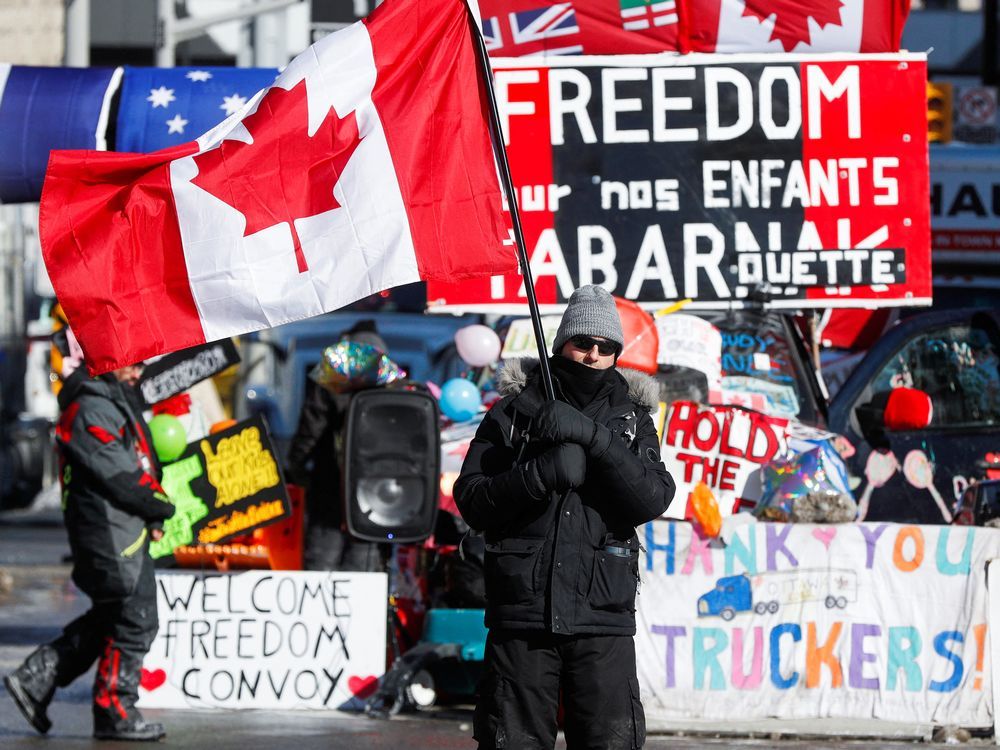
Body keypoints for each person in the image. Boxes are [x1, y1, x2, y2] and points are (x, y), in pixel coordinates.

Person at [454, 285, 675, 750]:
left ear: (616, 352)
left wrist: (595, 440)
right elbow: (471, 499)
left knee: (608, 742)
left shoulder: (631, 417)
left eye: (605, 347)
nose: (593, 355)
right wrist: (538, 475)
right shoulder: (514, 411)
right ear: (561, 345)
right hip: (522, 618)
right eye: (582, 343)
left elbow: (652, 497)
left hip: (602, 618)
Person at [4, 357, 176, 741]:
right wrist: (159, 504)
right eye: (132, 365)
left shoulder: (110, 397)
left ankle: (37, 676)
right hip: (109, 534)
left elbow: (137, 460)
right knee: (135, 619)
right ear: (109, 362)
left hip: (119, 530)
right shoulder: (91, 405)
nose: (138, 374)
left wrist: (153, 511)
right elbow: (119, 473)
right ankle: (114, 709)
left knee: (113, 617)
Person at [285, 319, 386, 571]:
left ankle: (321, 608)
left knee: (322, 553)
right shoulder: (388, 376)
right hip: (376, 484)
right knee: (364, 553)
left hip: (330, 479)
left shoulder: (334, 373)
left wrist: (296, 467)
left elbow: (312, 424)